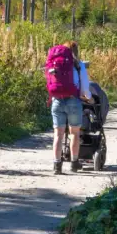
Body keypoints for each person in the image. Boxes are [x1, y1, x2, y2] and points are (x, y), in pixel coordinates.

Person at [45, 41, 91, 174]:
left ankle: (57, 165)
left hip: (56, 100)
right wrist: (88, 97)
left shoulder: (54, 63)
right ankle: (74, 163)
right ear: (75, 51)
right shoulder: (78, 65)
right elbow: (85, 90)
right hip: (73, 101)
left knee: (58, 135)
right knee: (74, 133)